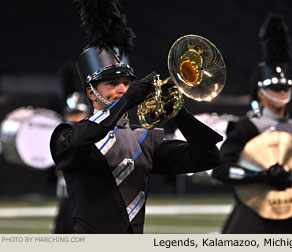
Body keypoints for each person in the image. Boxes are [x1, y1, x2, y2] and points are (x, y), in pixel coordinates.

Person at [50, 0, 222, 234]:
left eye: (127, 84)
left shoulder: (144, 140)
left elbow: (208, 158)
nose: (122, 89)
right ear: (91, 92)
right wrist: (127, 101)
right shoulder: (67, 134)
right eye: (113, 84)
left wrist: (179, 113)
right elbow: (87, 137)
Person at [212, 13, 292, 234]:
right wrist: (259, 176)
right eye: (274, 89)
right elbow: (221, 170)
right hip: (254, 213)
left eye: (284, 88)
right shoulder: (245, 128)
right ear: (260, 93)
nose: (281, 93)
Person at [54, 92, 89, 234]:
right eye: (71, 113)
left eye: (78, 112)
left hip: (87, 198)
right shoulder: (62, 134)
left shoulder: (93, 134)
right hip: (67, 198)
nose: (74, 116)